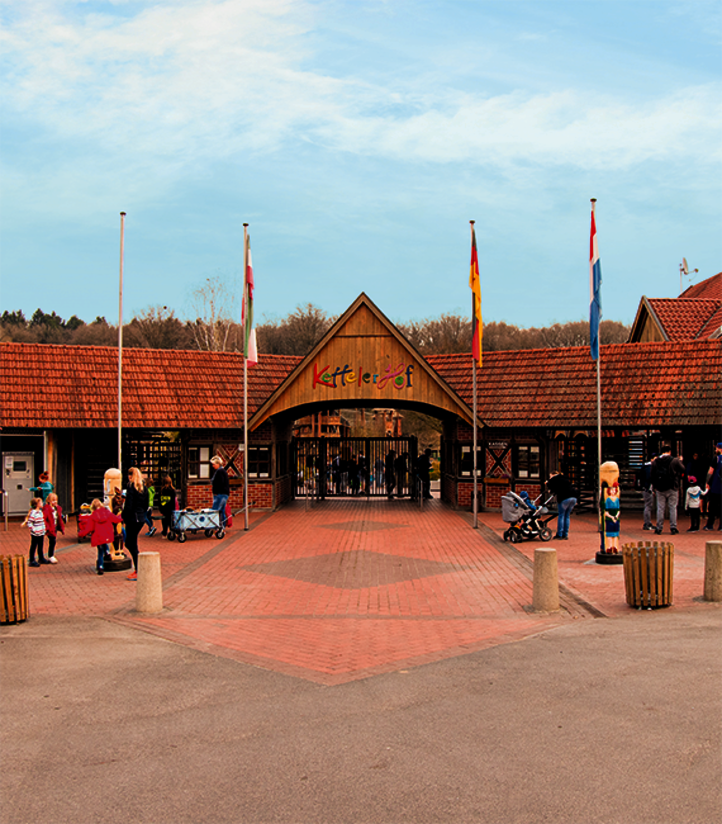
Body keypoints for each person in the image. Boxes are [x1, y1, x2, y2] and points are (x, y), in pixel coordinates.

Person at [122, 466, 150, 581]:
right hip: (140, 518)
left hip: (132, 519)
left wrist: (123, 516)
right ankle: (138, 568)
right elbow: (146, 504)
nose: (128, 477)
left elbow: (129, 505)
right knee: (131, 543)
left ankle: (139, 569)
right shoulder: (144, 489)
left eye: (129, 474)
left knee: (130, 543)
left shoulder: (131, 488)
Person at [652, 444, 685, 535]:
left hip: (660, 487)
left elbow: (652, 474)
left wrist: (654, 487)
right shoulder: (674, 460)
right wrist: (681, 461)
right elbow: (683, 469)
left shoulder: (655, 461)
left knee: (660, 508)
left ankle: (659, 528)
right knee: (673, 507)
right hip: (672, 486)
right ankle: (673, 527)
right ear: (669, 451)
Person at [88, 498, 122, 575]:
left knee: (100, 552)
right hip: (106, 535)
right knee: (105, 543)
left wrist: (81, 533)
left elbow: (89, 528)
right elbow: (116, 519)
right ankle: (107, 552)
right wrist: (120, 515)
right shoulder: (107, 513)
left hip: (98, 536)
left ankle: (100, 567)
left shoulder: (93, 516)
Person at [546, 469, 578, 540]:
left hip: (564, 498)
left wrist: (547, 484)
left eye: (550, 476)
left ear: (553, 475)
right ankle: (565, 534)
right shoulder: (564, 478)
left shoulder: (555, 479)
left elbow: (551, 486)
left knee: (561, 515)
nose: (550, 478)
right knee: (567, 516)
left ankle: (559, 534)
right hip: (573, 497)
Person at [23, 497, 48, 567]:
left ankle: (41, 558)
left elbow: (42, 522)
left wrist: (44, 529)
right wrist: (34, 530)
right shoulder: (33, 513)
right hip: (35, 533)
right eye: (40, 502)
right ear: (36, 504)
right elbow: (29, 522)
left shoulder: (40, 512)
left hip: (41, 532)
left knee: (40, 545)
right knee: (33, 546)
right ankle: (32, 560)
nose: (42, 503)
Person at [42, 492, 65, 564]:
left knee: (53, 541)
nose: (55, 502)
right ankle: (51, 555)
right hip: (50, 527)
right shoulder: (46, 508)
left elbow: (59, 516)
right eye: (53, 500)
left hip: (54, 526)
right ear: (49, 501)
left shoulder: (57, 508)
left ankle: (51, 555)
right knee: (52, 541)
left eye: (56, 500)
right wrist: (47, 527)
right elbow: (44, 518)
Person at [704, 443, 722, 531]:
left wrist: (707, 482)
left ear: (719, 449)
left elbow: (710, 471)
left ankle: (710, 525)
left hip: (716, 485)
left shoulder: (716, 459)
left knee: (712, 506)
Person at [635, 455, 655, 531]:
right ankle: (647, 523)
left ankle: (647, 523)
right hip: (647, 488)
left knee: (648, 505)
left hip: (645, 488)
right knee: (648, 506)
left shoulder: (645, 467)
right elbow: (649, 478)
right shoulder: (649, 468)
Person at [210, 456, 230, 528]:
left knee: (216, 510)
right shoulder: (221, 471)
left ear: (218, 464)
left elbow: (220, 483)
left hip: (220, 494)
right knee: (221, 511)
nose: (213, 466)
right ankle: (221, 526)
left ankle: (218, 526)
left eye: (214, 464)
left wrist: (216, 491)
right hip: (222, 494)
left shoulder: (220, 471)